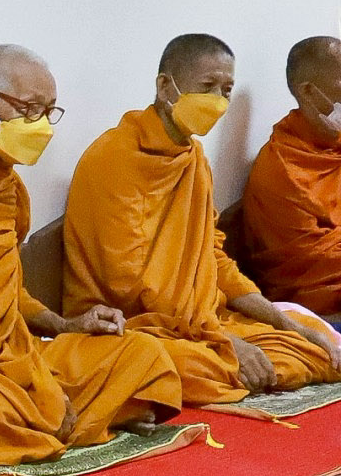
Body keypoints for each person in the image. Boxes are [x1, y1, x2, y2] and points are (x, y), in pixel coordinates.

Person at [0, 46, 180, 470]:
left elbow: (7, 295)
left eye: (47, 112)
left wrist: (64, 325)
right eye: (28, 111)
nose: (41, 126)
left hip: (11, 357)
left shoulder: (11, 193)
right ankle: (49, 417)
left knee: (142, 353)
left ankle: (33, 420)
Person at [64, 33, 338, 404]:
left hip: (198, 321)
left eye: (226, 90)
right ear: (165, 86)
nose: (218, 101)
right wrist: (222, 340)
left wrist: (281, 322)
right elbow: (125, 283)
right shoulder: (114, 158)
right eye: (207, 87)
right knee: (187, 367)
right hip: (131, 324)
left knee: (314, 344)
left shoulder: (194, 159)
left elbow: (213, 256)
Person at [241, 36, 341, 324]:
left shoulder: (334, 141)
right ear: (308, 91)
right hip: (318, 304)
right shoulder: (281, 168)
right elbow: (312, 262)